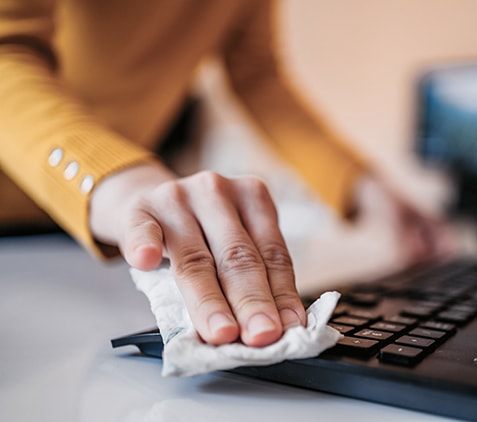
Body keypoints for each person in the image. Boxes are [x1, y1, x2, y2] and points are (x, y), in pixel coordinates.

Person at [0, 1, 445, 348]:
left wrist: (367, 189)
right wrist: (120, 180)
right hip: (73, 200)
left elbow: (258, 75)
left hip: (96, 229)